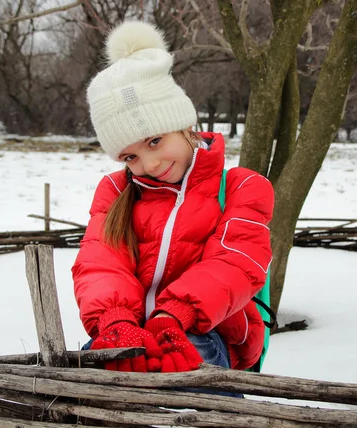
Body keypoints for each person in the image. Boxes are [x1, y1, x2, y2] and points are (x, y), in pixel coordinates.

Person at [72, 20, 274, 376]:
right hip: (128, 330)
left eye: (154, 141)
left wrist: (173, 315)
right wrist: (115, 319)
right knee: (90, 381)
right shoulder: (117, 192)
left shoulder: (243, 187)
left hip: (208, 330)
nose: (149, 164)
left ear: (183, 124)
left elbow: (236, 263)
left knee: (192, 384)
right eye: (130, 157)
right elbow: (100, 261)